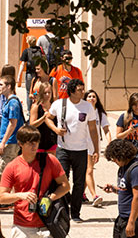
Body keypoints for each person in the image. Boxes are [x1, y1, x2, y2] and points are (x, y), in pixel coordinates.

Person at [47, 78, 100, 222]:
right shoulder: (60, 104)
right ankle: (62, 210)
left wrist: (95, 149)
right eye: (80, 90)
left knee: (79, 182)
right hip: (63, 149)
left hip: (81, 149)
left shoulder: (87, 107)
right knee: (62, 181)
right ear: (71, 91)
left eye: (83, 89)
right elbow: (48, 118)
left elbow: (93, 129)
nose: (83, 92)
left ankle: (75, 213)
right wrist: (55, 129)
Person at [84, 89, 112, 206]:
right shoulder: (82, 111)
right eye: (89, 96)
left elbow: (106, 129)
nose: (91, 98)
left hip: (95, 145)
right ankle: (94, 195)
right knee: (89, 170)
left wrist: (110, 143)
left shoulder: (100, 113)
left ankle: (80, 193)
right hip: (83, 145)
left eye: (93, 96)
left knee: (87, 171)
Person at [0, 75, 24, 179]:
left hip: (11, 143)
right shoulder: (7, 102)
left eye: (1, 84)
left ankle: (7, 195)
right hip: (6, 141)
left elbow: (13, 124)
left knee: (4, 174)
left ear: (9, 86)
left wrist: (3, 142)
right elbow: (5, 123)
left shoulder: (13, 103)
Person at [29, 81, 57, 154]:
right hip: (39, 141)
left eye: (49, 92)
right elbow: (32, 124)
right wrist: (43, 118)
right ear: (41, 93)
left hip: (52, 141)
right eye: (45, 93)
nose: (47, 95)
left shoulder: (54, 106)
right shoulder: (36, 106)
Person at [18, 36, 43, 112]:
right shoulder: (40, 50)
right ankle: (38, 107)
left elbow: (22, 64)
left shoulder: (26, 51)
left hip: (29, 73)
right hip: (38, 73)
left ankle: (29, 110)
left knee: (29, 91)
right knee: (38, 91)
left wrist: (19, 75)